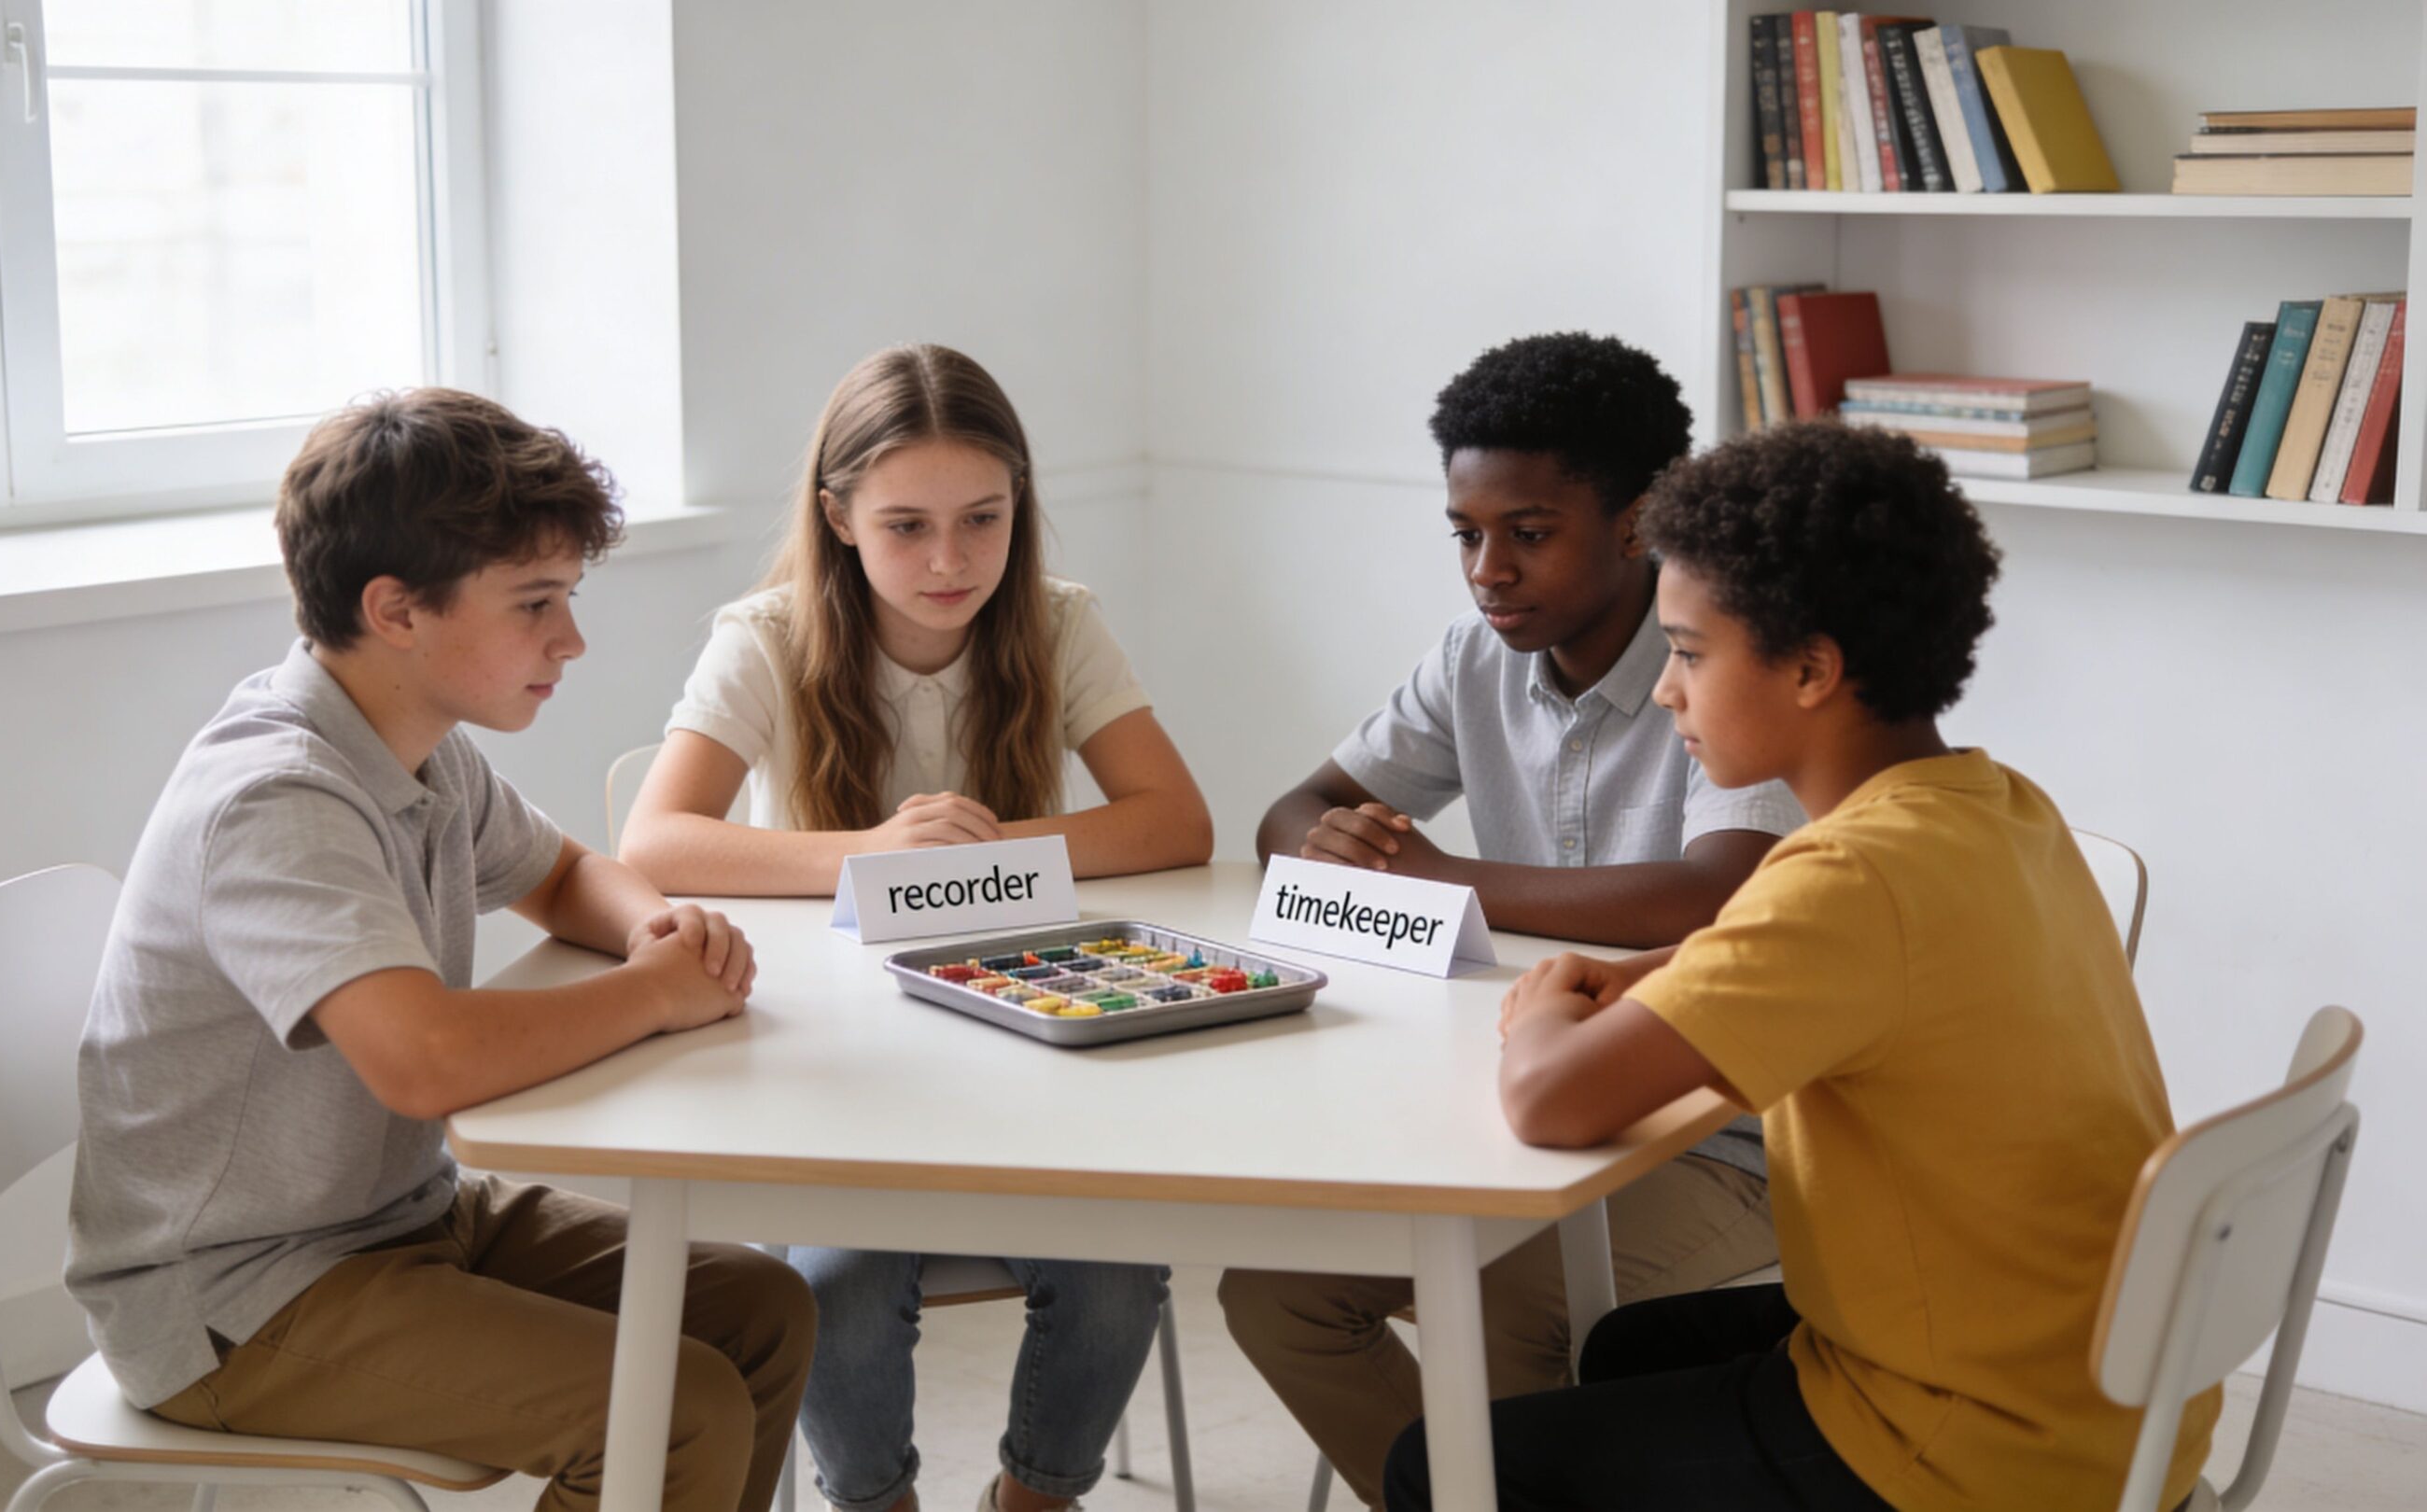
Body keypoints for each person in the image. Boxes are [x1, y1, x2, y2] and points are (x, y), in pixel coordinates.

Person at [1386, 419, 2217, 1511]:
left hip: (1970, 1442)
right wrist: (1663, 976)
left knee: (1435, 1466)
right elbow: (1850, 967)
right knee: (1628, 1349)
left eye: (1688, 653)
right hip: (2108, 1383)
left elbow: (1549, 1101)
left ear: (1813, 669)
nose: (1671, 691)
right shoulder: (1995, 806)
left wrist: (1543, 1004)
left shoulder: (1844, 879)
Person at [65, 389, 815, 1512]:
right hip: (237, 1297)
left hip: (400, 1218)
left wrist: (649, 930)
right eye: (535, 603)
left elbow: (561, 873)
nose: (571, 638)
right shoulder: (277, 799)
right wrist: (654, 998)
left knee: (763, 1310)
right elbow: (427, 1063)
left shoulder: (418, 746)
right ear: (396, 610)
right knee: (673, 1411)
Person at [1223, 333, 1802, 1506]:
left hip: (1721, 1137)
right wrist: (1338, 846)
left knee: (1505, 1310)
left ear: (1637, 523)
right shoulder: (1473, 660)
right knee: (1272, 1290)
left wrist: (1442, 880)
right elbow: (1294, 812)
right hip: (1514, 1098)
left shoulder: (1725, 657)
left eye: (1529, 532)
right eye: (1467, 534)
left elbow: (1716, 891)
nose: (1489, 568)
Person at [624, 344, 1202, 1512]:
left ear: (1019, 507)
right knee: (834, 1289)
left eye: (982, 519)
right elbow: (656, 841)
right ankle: (871, 1500)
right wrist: (873, 851)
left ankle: (1034, 1496)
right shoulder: (767, 635)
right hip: (833, 1068)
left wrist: (989, 849)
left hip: (1023, 1046)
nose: (950, 561)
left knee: (1117, 1274)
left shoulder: (1055, 621)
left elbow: (1176, 822)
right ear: (838, 517)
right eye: (905, 526)